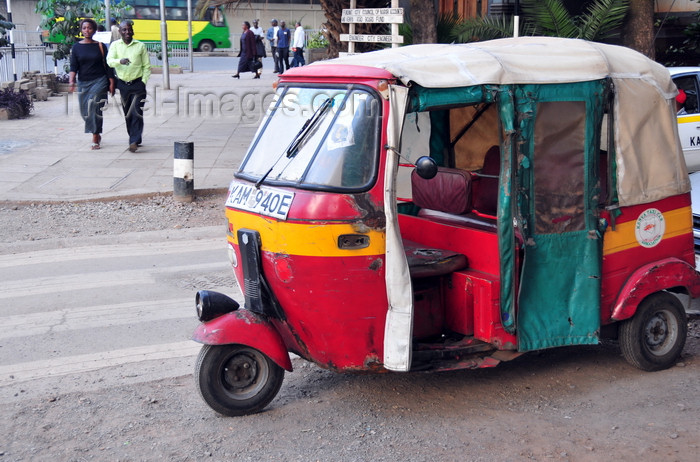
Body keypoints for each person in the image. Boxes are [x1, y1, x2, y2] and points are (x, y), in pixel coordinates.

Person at [68, 18, 116, 150]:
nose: (87, 30)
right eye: (84, 28)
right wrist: (71, 80)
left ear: (94, 30)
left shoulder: (100, 46)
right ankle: (95, 130)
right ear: (81, 30)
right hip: (83, 82)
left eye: (89, 28)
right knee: (85, 111)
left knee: (94, 107)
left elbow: (108, 65)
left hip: (99, 80)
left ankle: (95, 135)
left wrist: (111, 82)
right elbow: (73, 66)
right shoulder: (76, 47)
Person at [107, 20, 151, 153]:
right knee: (128, 113)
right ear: (119, 32)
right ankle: (135, 137)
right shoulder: (115, 45)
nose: (127, 32)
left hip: (138, 84)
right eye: (124, 30)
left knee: (137, 111)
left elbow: (146, 66)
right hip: (123, 85)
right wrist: (119, 61)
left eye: (129, 29)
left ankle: (133, 141)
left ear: (133, 31)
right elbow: (109, 61)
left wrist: (143, 81)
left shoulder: (140, 46)